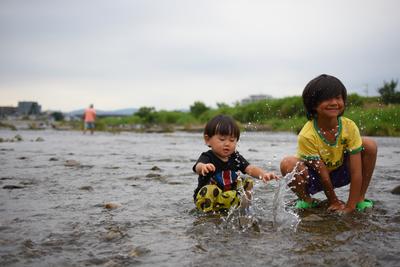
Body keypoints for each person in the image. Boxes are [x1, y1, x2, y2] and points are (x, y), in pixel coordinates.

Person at [280, 74, 377, 213]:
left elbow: (356, 172)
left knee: (369, 144)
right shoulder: (307, 135)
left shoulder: (349, 126)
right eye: (327, 99)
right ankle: (307, 200)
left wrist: (350, 206)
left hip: (341, 173)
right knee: (287, 163)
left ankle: (360, 199)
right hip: (315, 177)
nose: (334, 103)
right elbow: (323, 175)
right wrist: (334, 201)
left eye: (338, 97)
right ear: (313, 104)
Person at [193, 114, 278, 213]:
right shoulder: (208, 156)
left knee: (247, 182)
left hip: (229, 197)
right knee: (209, 190)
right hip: (210, 199)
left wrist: (263, 174)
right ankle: (208, 216)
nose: (227, 143)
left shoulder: (236, 157)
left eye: (232, 140)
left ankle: (245, 207)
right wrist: (203, 167)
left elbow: (250, 168)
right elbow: (197, 167)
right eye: (222, 139)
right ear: (208, 140)